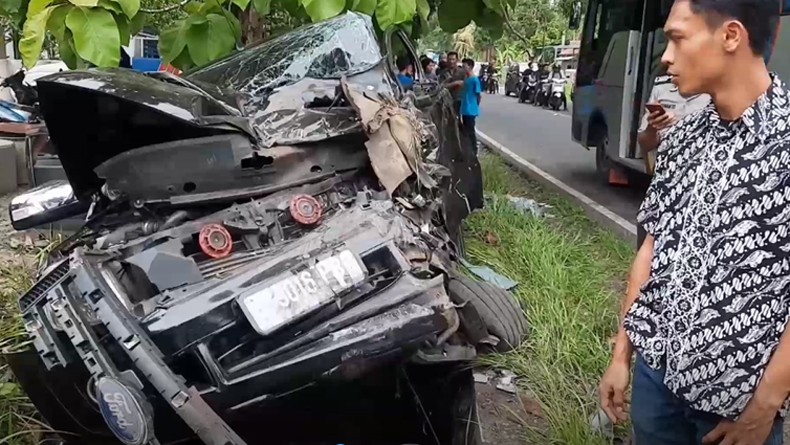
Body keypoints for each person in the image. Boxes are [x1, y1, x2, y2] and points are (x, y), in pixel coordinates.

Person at [599, 1, 790, 445]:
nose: (665, 56)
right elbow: (650, 250)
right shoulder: (684, 137)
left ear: (730, 37)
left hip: (736, 412)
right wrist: (622, 356)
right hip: (654, 387)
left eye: (677, 37)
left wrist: (763, 407)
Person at [635, 68, 711, 247]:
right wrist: (653, 127)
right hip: (663, 183)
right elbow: (645, 143)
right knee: (648, 241)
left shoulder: (717, 91)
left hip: (700, 186)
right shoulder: (662, 88)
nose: (669, 59)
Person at [459, 58, 482, 155]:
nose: (463, 69)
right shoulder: (466, 79)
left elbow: (479, 95)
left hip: (471, 110)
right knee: (465, 130)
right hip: (464, 109)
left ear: (470, 67)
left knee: (470, 130)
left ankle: (473, 150)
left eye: (465, 67)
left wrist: (475, 106)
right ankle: (467, 149)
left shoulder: (474, 80)